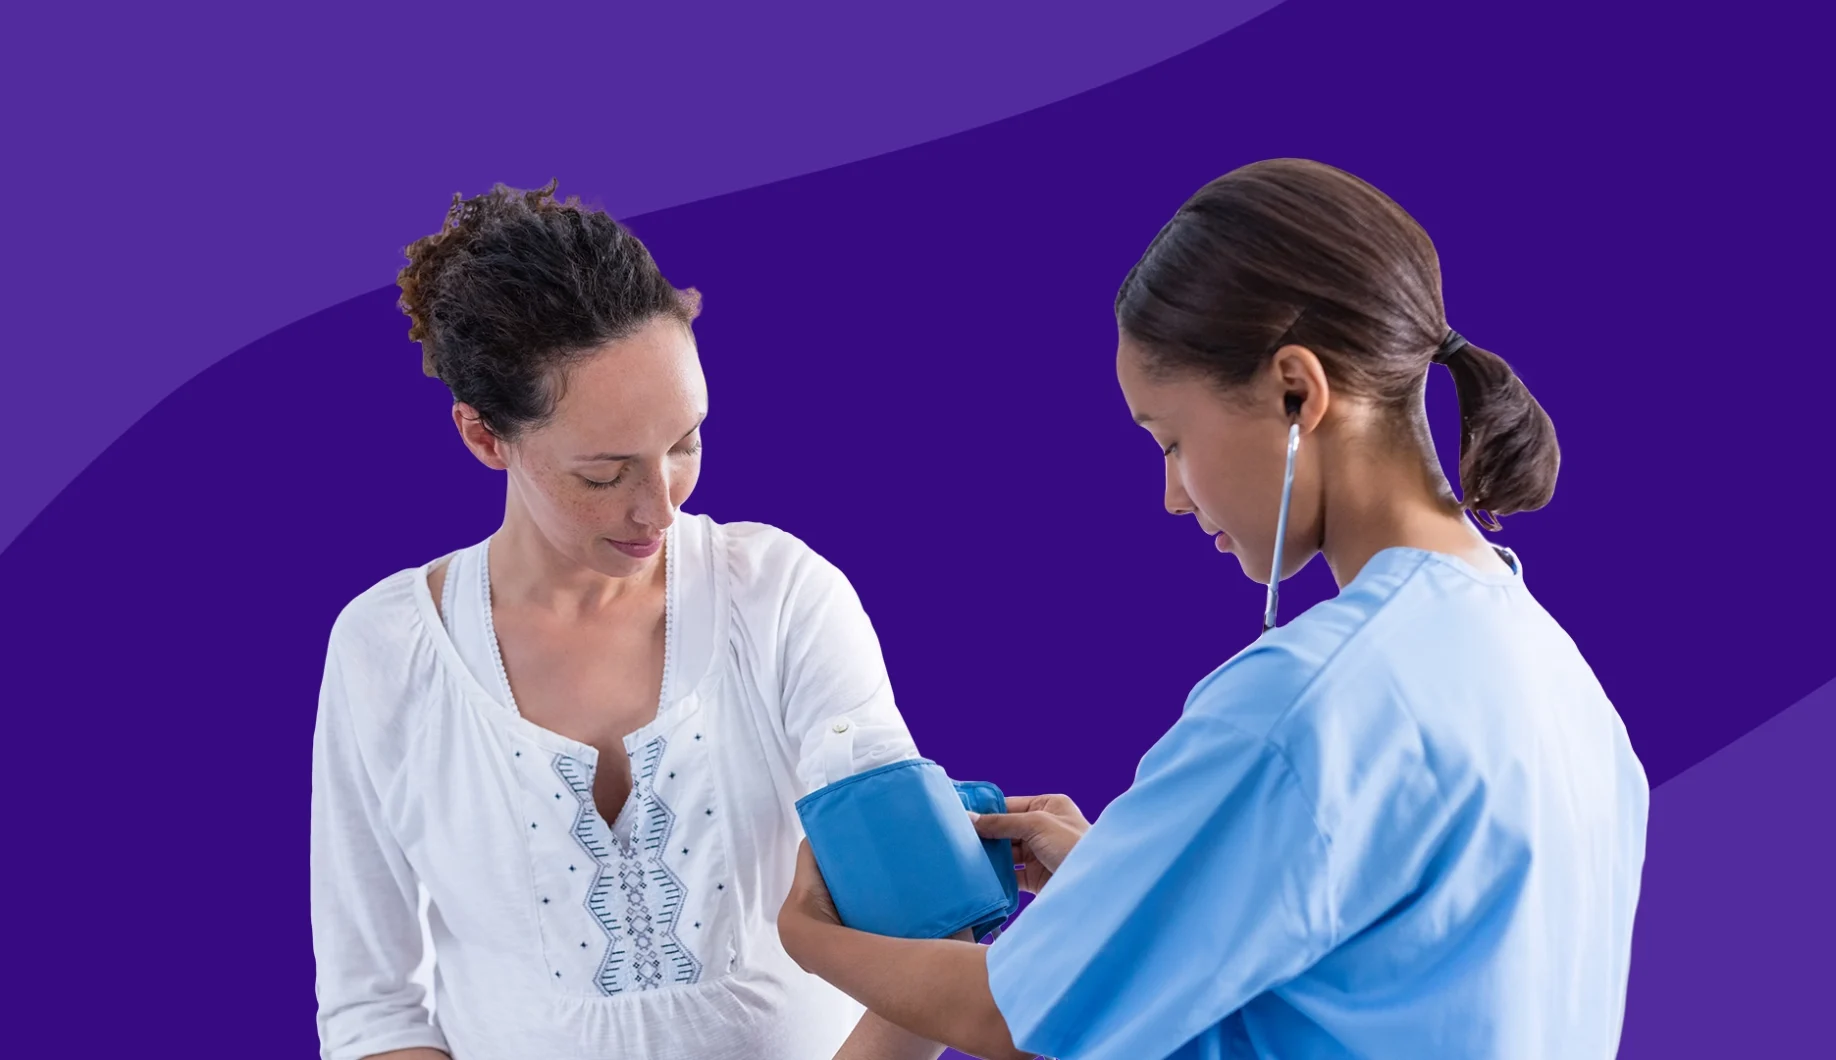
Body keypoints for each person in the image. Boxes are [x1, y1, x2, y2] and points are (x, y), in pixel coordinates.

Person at [776, 158, 1651, 1060]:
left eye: (1172, 442)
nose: (1174, 497)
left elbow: (1017, 1018)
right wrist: (1133, 899)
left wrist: (811, 935)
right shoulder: (1561, 683)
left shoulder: (1308, 705)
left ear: (1296, 392)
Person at [310, 182, 950, 1060]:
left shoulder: (781, 598)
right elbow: (371, 1006)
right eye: (604, 474)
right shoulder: (385, 651)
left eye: (685, 442)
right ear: (484, 438)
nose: (659, 506)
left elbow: (927, 918)